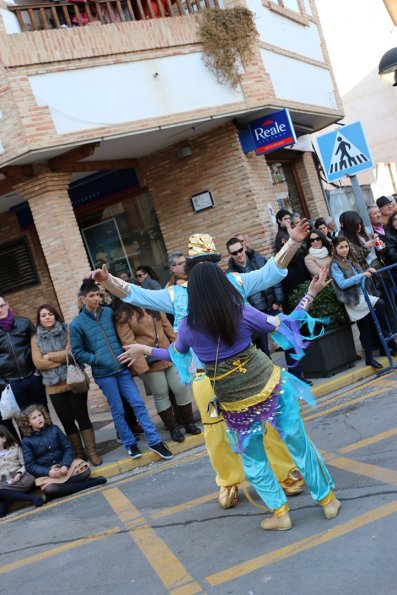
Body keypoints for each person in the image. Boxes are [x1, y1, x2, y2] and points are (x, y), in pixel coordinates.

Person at [90, 226, 310, 508]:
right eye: (199, 264)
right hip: (204, 375)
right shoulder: (176, 296)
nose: (206, 268)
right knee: (216, 431)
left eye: (211, 261)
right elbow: (136, 295)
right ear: (189, 269)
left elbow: (271, 272)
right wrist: (107, 280)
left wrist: (292, 242)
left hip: (246, 367)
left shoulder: (236, 283)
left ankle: (284, 472)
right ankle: (229, 480)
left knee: (263, 421)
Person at [119, 263, 341, 531]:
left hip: (236, 405)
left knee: (254, 459)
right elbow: (286, 325)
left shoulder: (189, 326)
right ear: (222, 284)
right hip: (272, 388)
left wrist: (144, 349)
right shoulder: (241, 310)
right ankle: (328, 501)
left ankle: (281, 514)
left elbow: (175, 355)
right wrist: (311, 293)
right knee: (299, 444)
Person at [70, 279, 173, 461]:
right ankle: (129, 443)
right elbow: (77, 352)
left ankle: (155, 441)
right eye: (92, 296)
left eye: (98, 295)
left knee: (138, 403)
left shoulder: (109, 313)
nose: (96, 299)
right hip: (103, 374)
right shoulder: (77, 324)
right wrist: (97, 359)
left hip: (122, 368)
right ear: (83, 299)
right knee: (117, 409)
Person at [114, 299, 200, 443]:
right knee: (161, 393)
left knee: (181, 387)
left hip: (169, 355)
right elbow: (128, 342)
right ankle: (173, 429)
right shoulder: (123, 315)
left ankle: (189, 423)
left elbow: (169, 330)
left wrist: (182, 352)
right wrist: (143, 369)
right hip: (148, 361)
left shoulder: (153, 305)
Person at [31, 304, 102, 466]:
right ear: (39, 319)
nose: (47, 317)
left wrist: (49, 356)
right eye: (43, 315)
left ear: (55, 315)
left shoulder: (67, 329)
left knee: (82, 416)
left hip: (74, 383)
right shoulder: (35, 338)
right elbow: (38, 363)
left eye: (50, 314)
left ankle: (92, 452)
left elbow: (74, 353)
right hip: (53, 387)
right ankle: (79, 453)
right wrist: (61, 358)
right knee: (67, 421)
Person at [330, 236, 397, 368]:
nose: (344, 250)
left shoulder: (350, 260)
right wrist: (362, 275)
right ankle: (386, 337)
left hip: (364, 296)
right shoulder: (335, 264)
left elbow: (359, 275)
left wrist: (367, 271)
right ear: (335, 249)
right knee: (379, 305)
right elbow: (342, 284)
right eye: (341, 247)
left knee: (367, 326)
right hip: (354, 300)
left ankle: (376, 353)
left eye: (346, 246)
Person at [20, 406, 107, 501]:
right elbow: (30, 465)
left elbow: (68, 447)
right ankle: (92, 483)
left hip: (63, 467)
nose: (39, 418)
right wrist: (48, 472)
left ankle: (59, 491)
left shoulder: (54, 429)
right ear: (28, 423)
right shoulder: (26, 441)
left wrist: (65, 465)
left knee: (85, 472)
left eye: (40, 415)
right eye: (34, 418)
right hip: (48, 473)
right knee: (50, 489)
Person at [226, 236, 283, 357]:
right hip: (253, 314)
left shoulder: (259, 259)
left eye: (240, 250)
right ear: (229, 254)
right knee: (263, 351)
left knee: (286, 338)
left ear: (244, 246)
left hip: (271, 307)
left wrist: (278, 300)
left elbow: (274, 279)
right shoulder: (230, 274)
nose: (239, 254)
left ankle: (296, 373)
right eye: (234, 253)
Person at [0, 295, 47, 436]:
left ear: (7, 305)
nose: (0, 310)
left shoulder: (24, 323)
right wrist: (3, 384)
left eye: (1, 305)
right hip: (11, 384)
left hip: (32, 377)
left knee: (42, 415)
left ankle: (53, 449)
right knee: (23, 422)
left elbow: (38, 347)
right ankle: (32, 454)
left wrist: (37, 372)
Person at [0, 424, 44, 517]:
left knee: (29, 477)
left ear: (3, 439)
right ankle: (33, 499)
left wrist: (19, 473)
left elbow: (25, 464)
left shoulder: (15, 448)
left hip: (21, 477)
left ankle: (4, 504)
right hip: (5, 482)